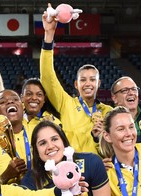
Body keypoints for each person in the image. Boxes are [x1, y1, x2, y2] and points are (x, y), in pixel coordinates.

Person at [40, 10, 112, 153]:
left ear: (98, 84)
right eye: (83, 80)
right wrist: (49, 36)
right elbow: (48, 76)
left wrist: (99, 140)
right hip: (70, 169)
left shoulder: (108, 112)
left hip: (99, 169)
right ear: (76, 84)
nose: (88, 84)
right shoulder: (66, 104)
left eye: (92, 80)